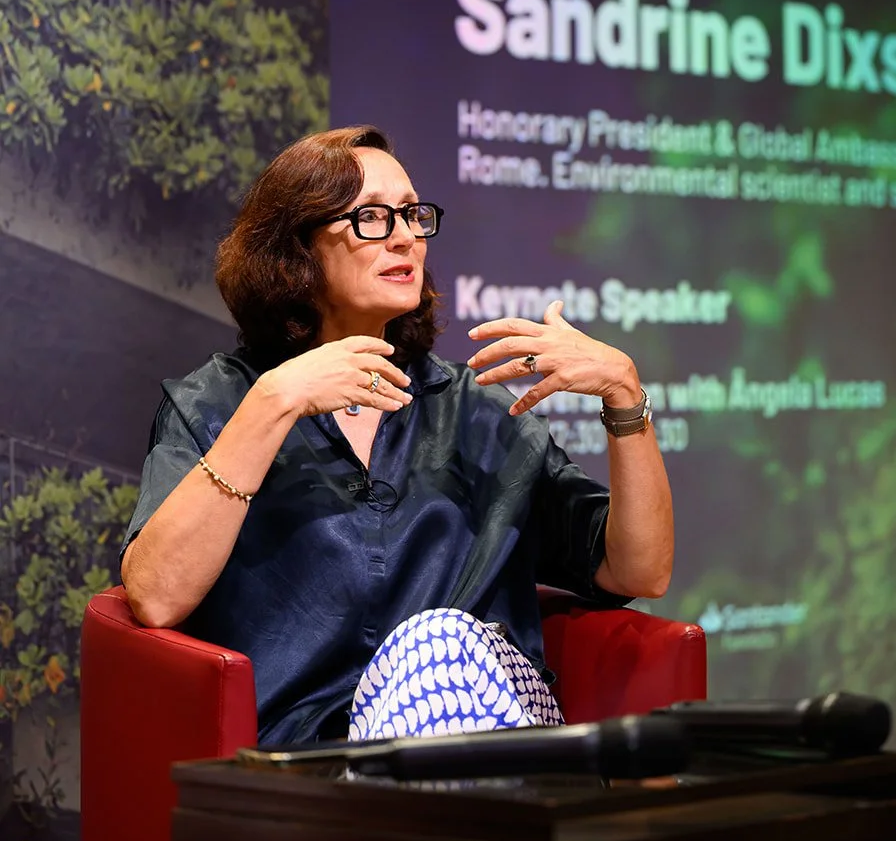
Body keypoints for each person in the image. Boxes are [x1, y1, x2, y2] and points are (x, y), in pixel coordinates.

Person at [121, 125, 674, 746]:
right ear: (296, 250)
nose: (407, 236)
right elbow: (156, 599)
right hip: (309, 769)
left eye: (412, 215)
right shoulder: (219, 403)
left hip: (491, 740)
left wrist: (625, 393)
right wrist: (275, 403)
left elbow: (640, 571)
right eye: (374, 218)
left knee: (437, 644)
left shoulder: (473, 409)